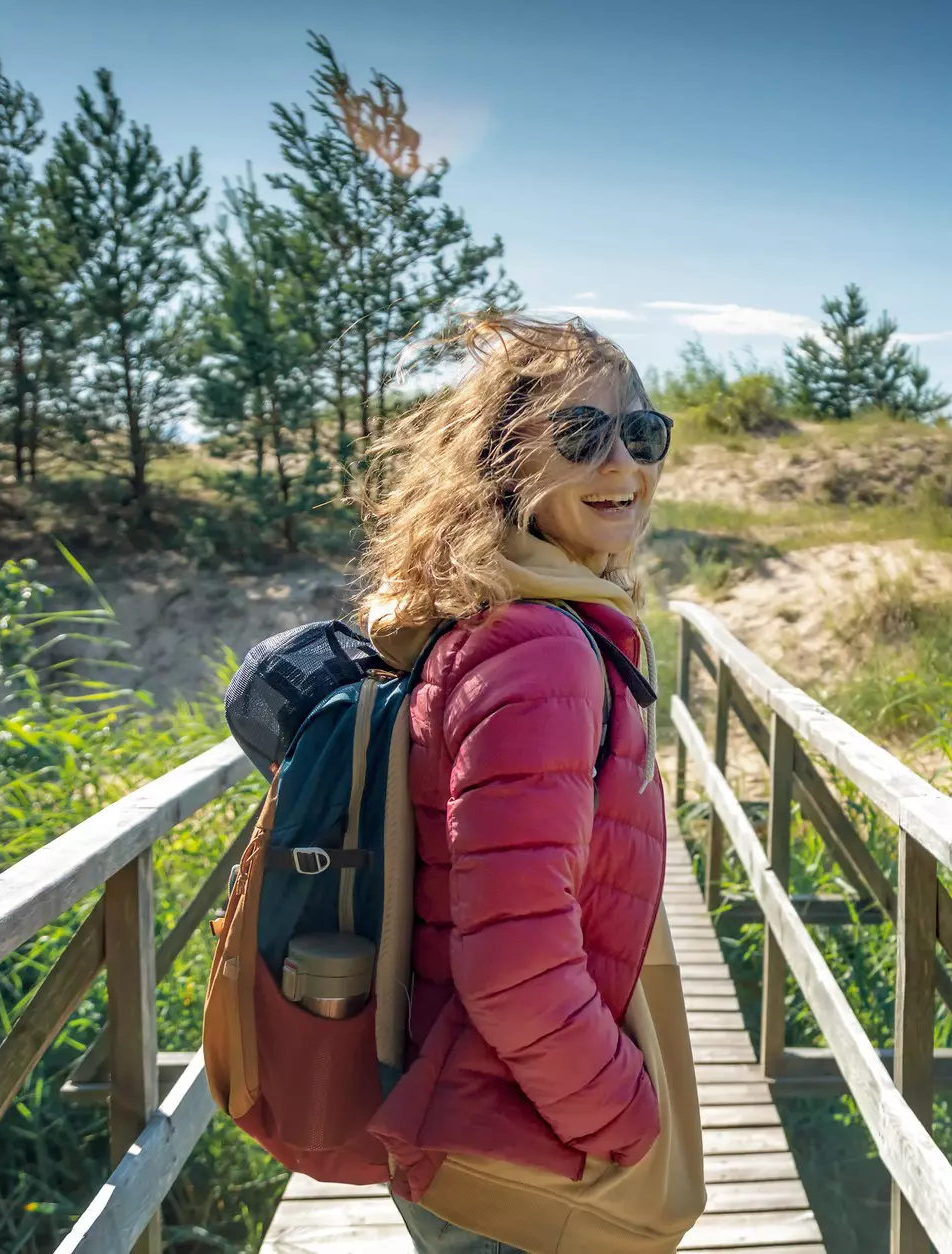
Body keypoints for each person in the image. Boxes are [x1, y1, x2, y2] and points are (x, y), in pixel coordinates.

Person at [354, 315, 682, 1254]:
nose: (623, 462)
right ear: (506, 462)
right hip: (522, 1146)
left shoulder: (496, 620)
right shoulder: (539, 649)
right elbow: (514, 970)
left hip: (484, 1108)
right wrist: (624, 1120)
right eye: (580, 435)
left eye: (642, 433)